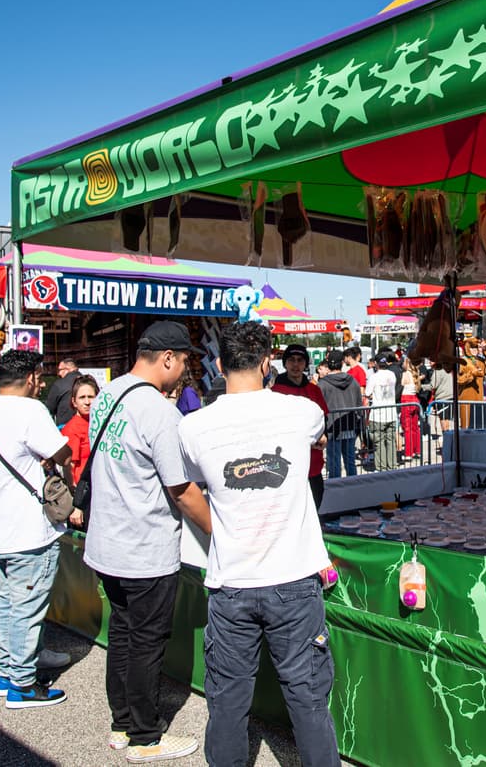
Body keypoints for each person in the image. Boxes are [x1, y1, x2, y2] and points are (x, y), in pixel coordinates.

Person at [177, 321, 340, 767]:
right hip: (293, 581)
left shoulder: (193, 428)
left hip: (231, 583)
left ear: (217, 364)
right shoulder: (299, 412)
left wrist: (219, 528)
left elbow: (185, 488)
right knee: (307, 700)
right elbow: (317, 434)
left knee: (227, 703)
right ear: (268, 362)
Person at [82, 321, 211, 762]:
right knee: (146, 642)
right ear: (168, 358)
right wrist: (220, 530)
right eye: (185, 362)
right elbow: (182, 490)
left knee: (122, 632)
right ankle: (144, 736)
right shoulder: (158, 412)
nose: (185, 372)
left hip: (107, 543)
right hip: (144, 549)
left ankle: (121, 722)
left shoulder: (107, 394)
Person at [0, 349, 72, 709]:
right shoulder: (30, 410)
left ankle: (9, 670)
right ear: (33, 377)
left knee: (7, 600)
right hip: (28, 529)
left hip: (0, 525)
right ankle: (22, 683)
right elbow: (62, 452)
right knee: (27, 607)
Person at [272, 344, 330, 508]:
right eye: (291, 360)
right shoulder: (275, 392)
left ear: (305, 364)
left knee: (314, 510)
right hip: (287, 467)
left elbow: (324, 420)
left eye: (300, 360)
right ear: (285, 364)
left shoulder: (314, 390)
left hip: (313, 466)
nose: (296, 365)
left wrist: (324, 436)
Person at [317, 351, 362, 479]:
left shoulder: (323, 384)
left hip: (332, 428)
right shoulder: (352, 381)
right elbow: (359, 406)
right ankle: (353, 486)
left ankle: (336, 490)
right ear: (342, 363)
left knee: (334, 462)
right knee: (350, 461)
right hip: (350, 425)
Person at [61, 375, 99, 486]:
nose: (87, 402)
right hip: (84, 488)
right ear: (74, 402)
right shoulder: (72, 429)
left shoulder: (98, 423)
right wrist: (73, 489)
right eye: (82, 397)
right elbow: (69, 465)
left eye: (91, 397)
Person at [365, 352, 398, 472]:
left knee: (379, 443)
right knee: (390, 441)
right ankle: (392, 466)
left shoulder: (374, 376)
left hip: (378, 413)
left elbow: (368, 393)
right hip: (391, 412)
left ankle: (381, 468)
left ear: (376, 364)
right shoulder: (392, 374)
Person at [455, 337, 486, 428]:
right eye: (472, 348)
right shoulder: (462, 361)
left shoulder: (480, 361)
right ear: (467, 348)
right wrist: (472, 374)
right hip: (466, 400)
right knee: (466, 427)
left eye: (476, 348)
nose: (474, 350)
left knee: (478, 426)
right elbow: (458, 380)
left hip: (478, 399)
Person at [398, 356, 422, 461]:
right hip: (415, 400)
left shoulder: (405, 374)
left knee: (406, 428)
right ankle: (417, 450)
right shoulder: (415, 374)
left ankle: (408, 453)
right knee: (415, 427)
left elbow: (401, 385)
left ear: (407, 363)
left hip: (406, 400)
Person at [45, 358, 80, 427]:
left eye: (60, 370)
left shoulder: (59, 384)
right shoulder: (89, 382)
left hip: (65, 427)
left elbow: (49, 408)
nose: (59, 373)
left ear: (68, 369)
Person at [428, 362, 454, 438]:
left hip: (442, 398)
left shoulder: (437, 371)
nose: (430, 363)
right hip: (450, 397)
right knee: (447, 419)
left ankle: (446, 437)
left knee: (443, 419)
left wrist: (421, 387)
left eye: (432, 361)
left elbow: (433, 385)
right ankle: (448, 437)